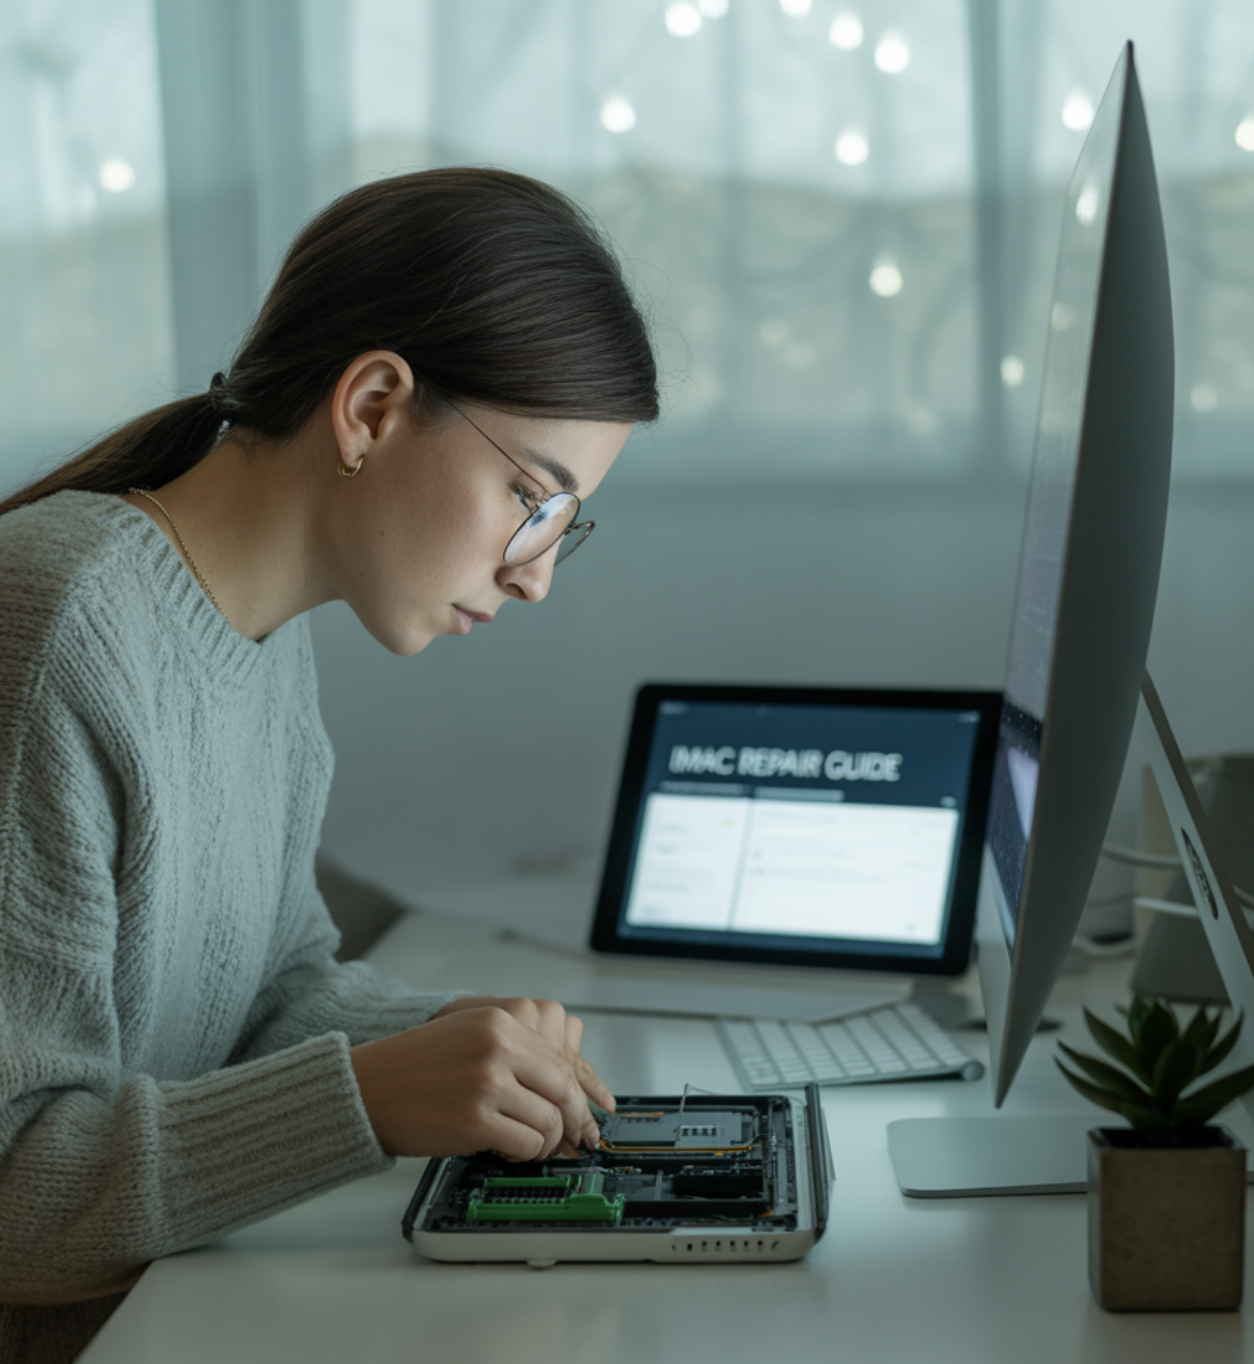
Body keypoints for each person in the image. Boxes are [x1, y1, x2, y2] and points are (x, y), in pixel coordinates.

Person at [0, 167, 658, 1363]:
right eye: (530, 496)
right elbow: (13, 1196)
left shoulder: (265, 641)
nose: (536, 574)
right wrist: (368, 1099)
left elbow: (267, 989)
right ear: (370, 407)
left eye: (566, 525)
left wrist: (464, 1042)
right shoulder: (54, 629)